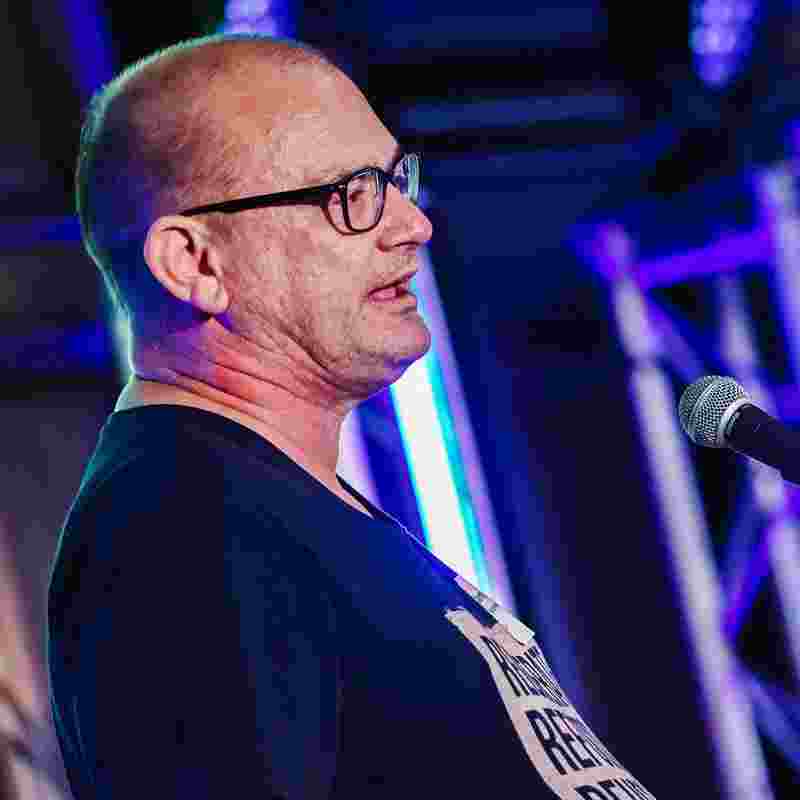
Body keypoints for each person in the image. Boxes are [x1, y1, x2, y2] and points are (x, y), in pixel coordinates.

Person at [47, 33, 657, 800]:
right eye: (351, 193)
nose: (412, 224)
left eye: (397, 179)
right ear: (196, 264)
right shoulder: (179, 523)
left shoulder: (261, 504)